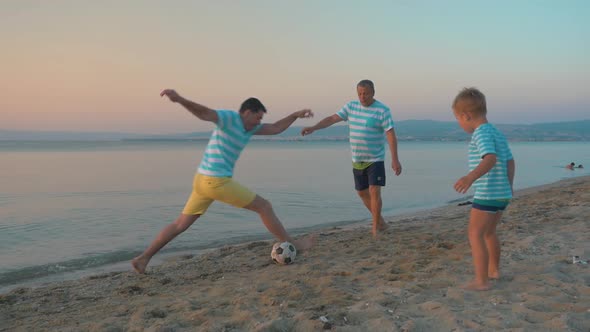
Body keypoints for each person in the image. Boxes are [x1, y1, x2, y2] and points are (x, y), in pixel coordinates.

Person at [132, 89, 316, 274]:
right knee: (264, 207)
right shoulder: (229, 118)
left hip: (202, 181)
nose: (259, 122)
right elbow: (205, 113)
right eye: (257, 117)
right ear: (247, 112)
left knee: (180, 224)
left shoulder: (250, 127)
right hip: (215, 181)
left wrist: (295, 115)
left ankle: (143, 259)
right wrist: (180, 99)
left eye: (261, 119)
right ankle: (293, 244)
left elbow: (276, 128)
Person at [301, 80, 402, 238]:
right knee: (361, 193)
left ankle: (375, 227)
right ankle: (381, 221)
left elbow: (390, 134)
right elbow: (332, 119)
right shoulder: (351, 107)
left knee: (374, 191)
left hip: (375, 158)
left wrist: (395, 159)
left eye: (366, 93)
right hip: (357, 159)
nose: (362, 97)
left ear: (373, 93)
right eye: (360, 93)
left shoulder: (382, 110)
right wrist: (314, 128)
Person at [452, 87, 516, 291]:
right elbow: (510, 161)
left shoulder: (480, 133)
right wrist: (509, 187)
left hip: (488, 193)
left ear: (466, 116)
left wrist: (470, 177)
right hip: (502, 194)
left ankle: (481, 281)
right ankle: (494, 271)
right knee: (489, 233)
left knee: (475, 234)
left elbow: (490, 158)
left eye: (458, 119)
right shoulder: (496, 132)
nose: (459, 123)